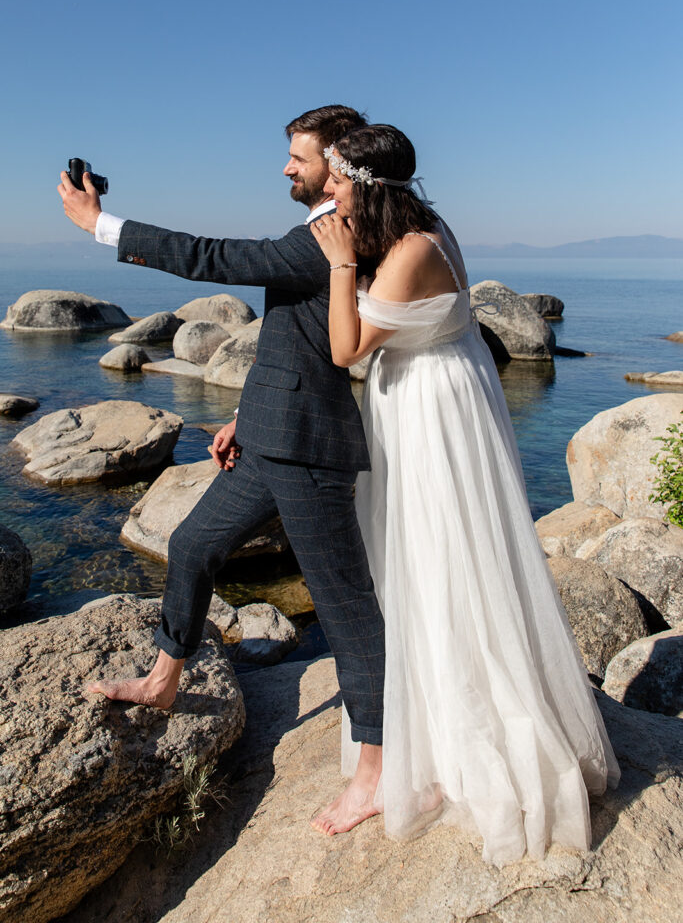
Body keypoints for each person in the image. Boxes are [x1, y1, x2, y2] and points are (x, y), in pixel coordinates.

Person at [58, 106, 386, 834]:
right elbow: (297, 333)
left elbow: (213, 258)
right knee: (192, 545)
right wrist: (246, 412)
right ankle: (164, 680)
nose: (284, 169)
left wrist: (100, 226)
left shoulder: (335, 235)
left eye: (297, 158)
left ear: (336, 166)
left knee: (346, 611)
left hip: (306, 450)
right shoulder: (321, 233)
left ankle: (378, 769)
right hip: (273, 431)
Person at [309, 124, 620, 863]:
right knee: (432, 559)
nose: (329, 191)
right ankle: (434, 720)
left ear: (365, 184)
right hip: (436, 392)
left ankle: (457, 748)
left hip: (429, 411)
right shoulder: (424, 225)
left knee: (438, 559)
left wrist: (339, 264)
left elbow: (347, 348)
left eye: (336, 179)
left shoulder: (411, 247)